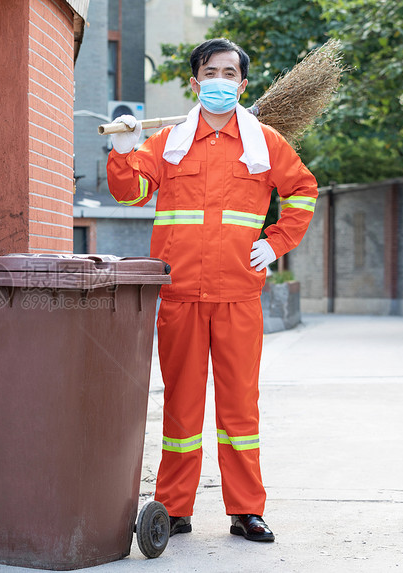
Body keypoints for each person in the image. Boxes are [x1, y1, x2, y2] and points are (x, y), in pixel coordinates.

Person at [106, 38, 318, 542]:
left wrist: (276, 242)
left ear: (242, 85)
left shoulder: (264, 142)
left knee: (240, 409)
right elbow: (133, 192)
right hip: (179, 295)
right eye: (210, 72)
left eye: (229, 73)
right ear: (196, 82)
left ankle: (246, 509)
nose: (219, 80)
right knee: (180, 407)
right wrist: (122, 152)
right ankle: (175, 509)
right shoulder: (170, 141)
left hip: (238, 296)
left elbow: (303, 190)